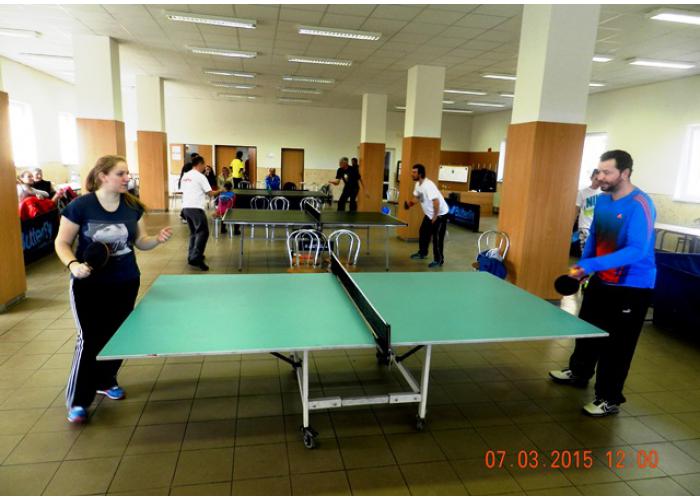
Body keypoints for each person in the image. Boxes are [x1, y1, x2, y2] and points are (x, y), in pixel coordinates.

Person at [54, 155, 172, 423]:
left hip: (126, 281)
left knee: (116, 336)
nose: (127, 178)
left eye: (127, 173)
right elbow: (62, 242)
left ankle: (105, 380)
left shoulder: (132, 206)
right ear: (102, 176)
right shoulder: (80, 206)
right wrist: (73, 264)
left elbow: (140, 241)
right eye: (121, 173)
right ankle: (78, 400)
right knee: (90, 339)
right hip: (89, 284)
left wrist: (157, 239)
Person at [549, 150, 656, 417]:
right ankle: (579, 372)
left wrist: (592, 266)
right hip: (601, 281)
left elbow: (637, 250)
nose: (601, 176)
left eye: (607, 172)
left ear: (625, 173)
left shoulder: (640, 204)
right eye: (599, 171)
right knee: (587, 330)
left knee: (618, 346)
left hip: (632, 286)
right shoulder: (603, 201)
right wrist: (581, 268)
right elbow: (595, 238)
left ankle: (609, 398)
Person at [404, 164, 450, 268]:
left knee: (437, 238)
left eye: (414, 172)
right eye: (412, 172)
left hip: (440, 214)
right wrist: (410, 204)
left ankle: (439, 260)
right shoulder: (418, 184)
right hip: (430, 214)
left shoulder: (428, 185)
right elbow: (418, 197)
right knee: (423, 232)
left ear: (420, 174)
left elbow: (436, 202)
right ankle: (422, 253)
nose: (412, 174)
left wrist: (435, 216)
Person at [181, 155, 220, 270]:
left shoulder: (185, 175)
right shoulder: (200, 176)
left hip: (186, 208)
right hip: (196, 208)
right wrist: (221, 190)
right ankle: (196, 258)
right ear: (200, 164)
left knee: (194, 232)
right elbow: (210, 193)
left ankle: (191, 256)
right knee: (203, 232)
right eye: (204, 165)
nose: (205, 167)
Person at [575, 169, 602, 253]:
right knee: (585, 252)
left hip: (596, 227)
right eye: (596, 179)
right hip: (584, 226)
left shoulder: (603, 194)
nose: (597, 182)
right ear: (591, 178)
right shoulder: (582, 192)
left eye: (600, 180)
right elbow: (576, 210)